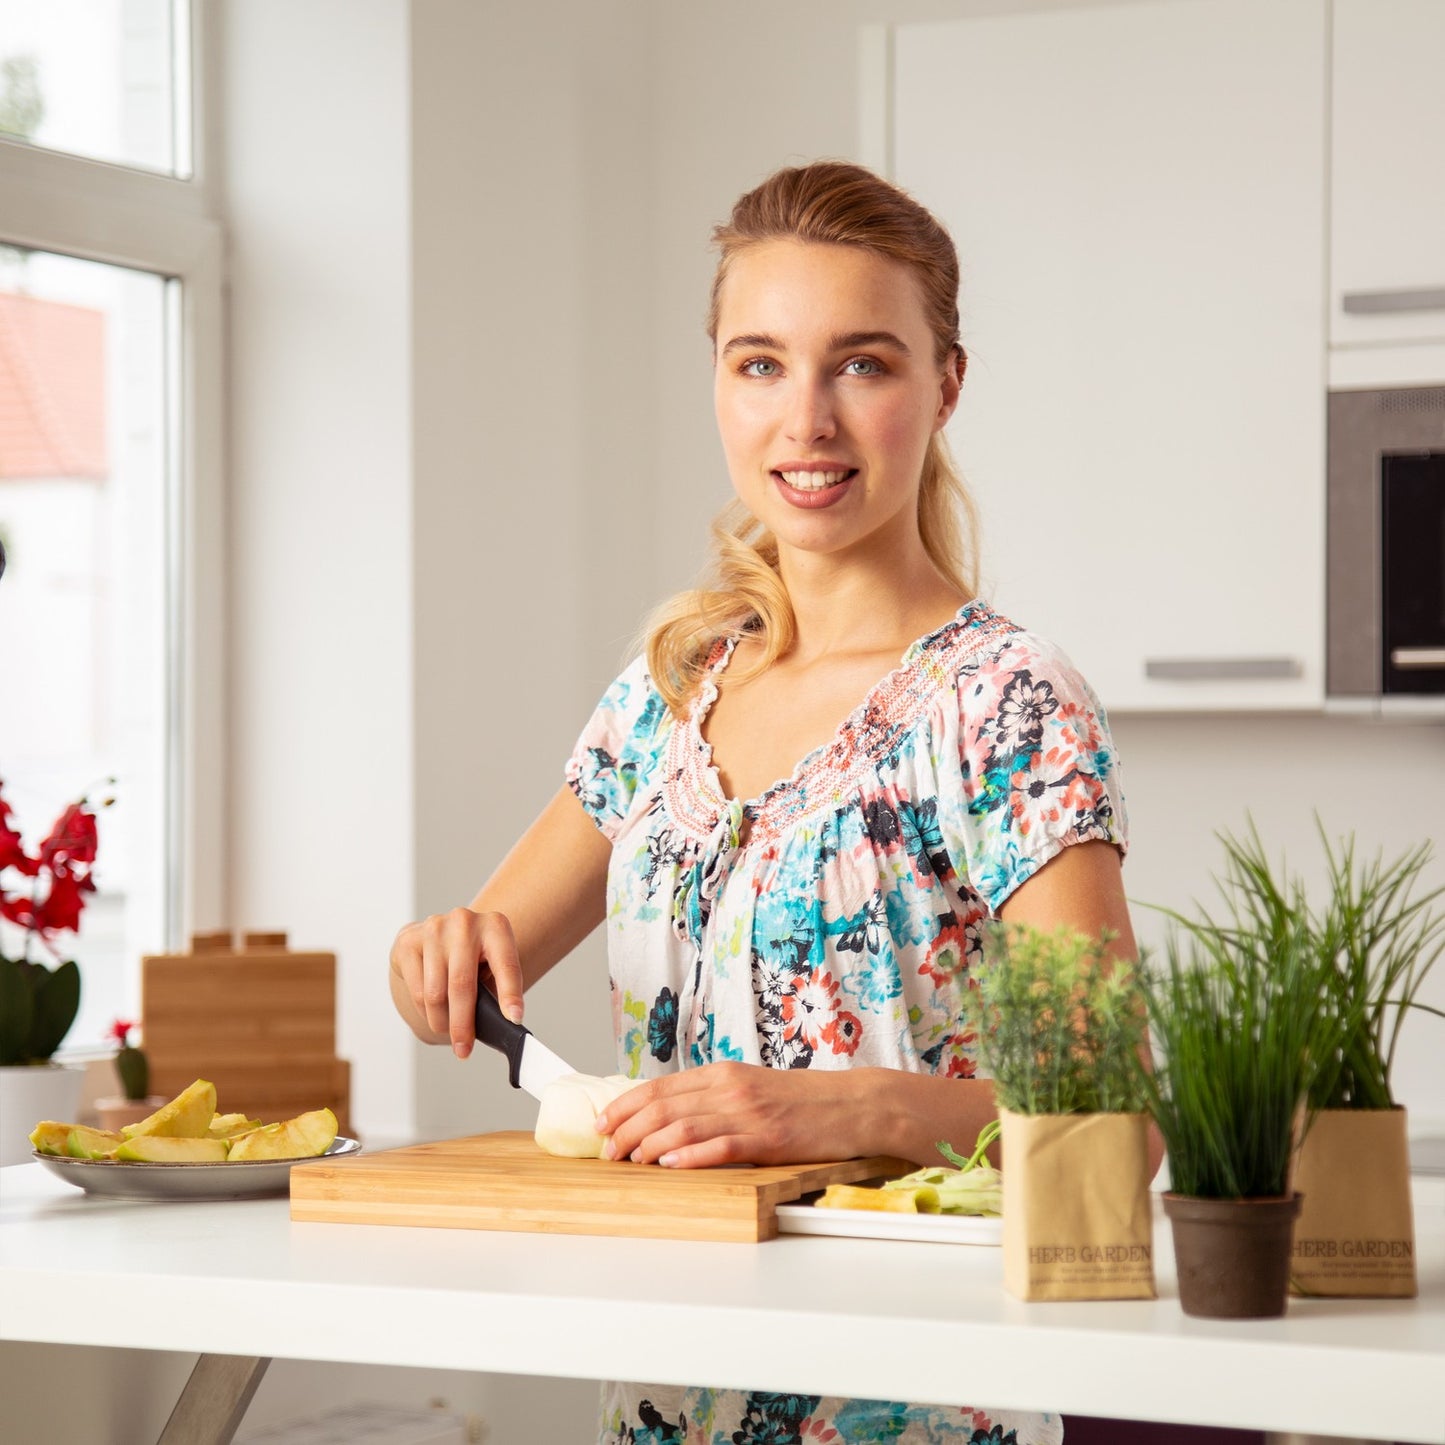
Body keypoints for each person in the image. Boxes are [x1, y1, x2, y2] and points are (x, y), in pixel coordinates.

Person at [391, 159, 1144, 1445]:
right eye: (760, 364)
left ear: (944, 384)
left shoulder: (1004, 700)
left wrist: (840, 1107)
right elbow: (464, 967)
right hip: (661, 1384)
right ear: (718, 385)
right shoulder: (669, 688)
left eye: (861, 364)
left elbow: (1112, 1128)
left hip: (916, 1399)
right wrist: (437, 956)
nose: (806, 420)